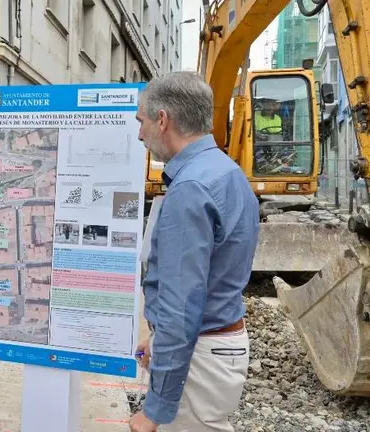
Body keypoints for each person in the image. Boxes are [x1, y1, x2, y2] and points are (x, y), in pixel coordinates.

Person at [129, 71, 260, 432]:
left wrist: (154, 410)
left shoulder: (190, 188)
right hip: (216, 345)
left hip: (201, 358)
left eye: (142, 121)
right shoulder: (227, 173)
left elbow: (180, 304)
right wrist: (159, 339)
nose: (140, 133)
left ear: (162, 119)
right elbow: (210, 280)